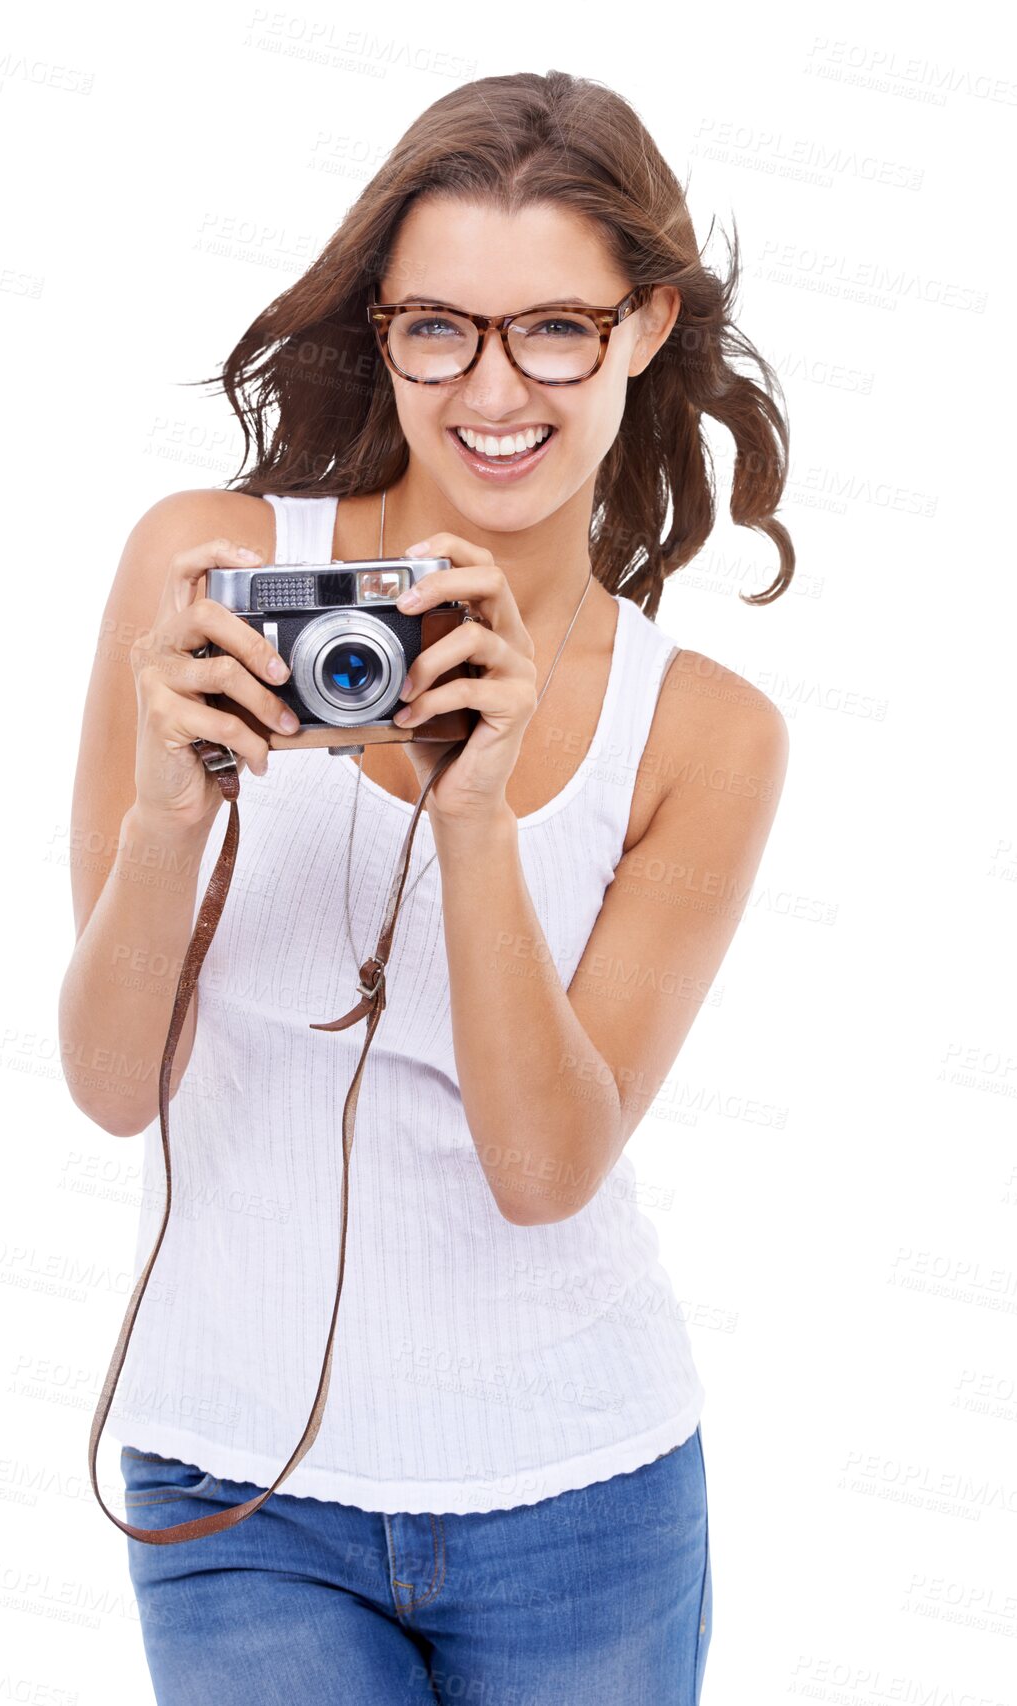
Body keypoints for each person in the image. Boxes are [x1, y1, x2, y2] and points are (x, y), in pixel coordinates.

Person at [60, 68, 791, 1706]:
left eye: (556, 328)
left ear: (648, 326)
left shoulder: (707, 732)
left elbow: (548, 1168)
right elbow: (115, 1087)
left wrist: (478, 813)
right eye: (437, 325)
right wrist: (171, 816)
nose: (492, 387)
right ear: (381, 328)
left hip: (583, 1492)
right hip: (235, 1479)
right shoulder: (202, 564)